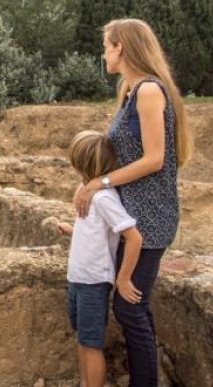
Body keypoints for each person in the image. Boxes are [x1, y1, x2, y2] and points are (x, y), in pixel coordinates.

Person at [73, 18, 194, 387]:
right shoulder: (129, 89)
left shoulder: (149, 91)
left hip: (151, 216)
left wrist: (100, 182)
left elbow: (155, 158)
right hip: (131, 213)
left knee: (129, 307)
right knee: (132, 307)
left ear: (121, 47)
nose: (104, 53)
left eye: (107, 45)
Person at [57, 130, 144, 387]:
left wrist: (124, 278)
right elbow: (98, 233)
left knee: (91, 342)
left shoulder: (104, 197)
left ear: (81, 164)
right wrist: (74, 231)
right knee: (83, 338)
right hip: (78, 276)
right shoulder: (88, 192)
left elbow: (134, 237)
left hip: (94, 280)